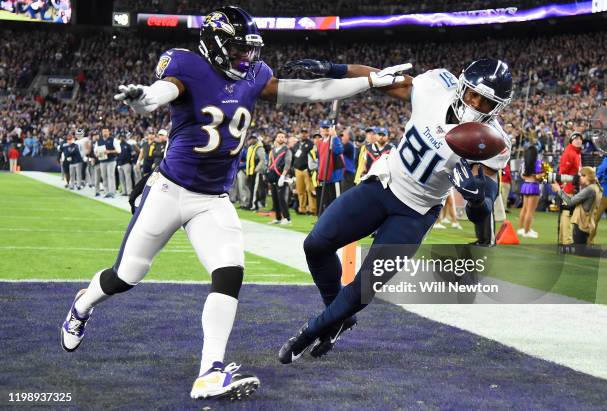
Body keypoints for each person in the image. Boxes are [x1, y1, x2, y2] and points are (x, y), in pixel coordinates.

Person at [59, 5, 407, 402]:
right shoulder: (187, 66)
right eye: (239, 48)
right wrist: (143, 97)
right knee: (126, 276)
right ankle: (82, 305)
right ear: (215, 45)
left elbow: (312, 89)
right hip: (169, 192)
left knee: (229, 272)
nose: (247, 57)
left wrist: (370, 82)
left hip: (213, 199)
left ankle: (210, 371)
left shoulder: (255, 75)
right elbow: (164, 92)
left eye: (249, 49)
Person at [277, 58, 513, 363]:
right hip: (384, 185)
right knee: (316, 244)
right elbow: (380, 78)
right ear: (461, 84)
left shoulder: (494, 143)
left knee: (363, 287)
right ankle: (339, 319)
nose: (476, 103)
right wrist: (333, 68)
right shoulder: (434, 87)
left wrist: (477, 200)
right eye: (472, 93)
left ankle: (310, 333)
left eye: (486, 101)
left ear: (498, 107)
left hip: (415, 212)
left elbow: (480, 215)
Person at [551, 167, 602, 245]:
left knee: (580, 252)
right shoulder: (596, 187)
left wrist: (558, 190)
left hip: (582, 226)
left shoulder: (589, 190)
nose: (579, 178)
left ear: (587, 176)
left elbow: (570, 202)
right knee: (582, 249)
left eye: (581, 175)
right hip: (588, 224)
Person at [558, 132, 583, 245]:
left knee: (569, 214)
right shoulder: (569, 153)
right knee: (567, 214)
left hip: (574, 188)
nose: (578, 141)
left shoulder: (576, 152)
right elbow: (563, 172)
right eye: (576, 139)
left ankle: (565, 239)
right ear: (571, 141)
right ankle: (566, 240)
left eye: (580, 139)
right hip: (569, 189)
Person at [315, 120, 344, 215]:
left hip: (334, 176)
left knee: (336, 202)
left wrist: (335, 136)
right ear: (320, 130)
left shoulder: (334, 140)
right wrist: (319, 174)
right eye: (324, 128)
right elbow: (320, 160)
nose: (326, 130)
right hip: (324, 176)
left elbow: (339, 151)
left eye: (327, 128)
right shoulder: (319, 142)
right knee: (326, 203)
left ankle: (338, 223)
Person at [517, 145, 543, 238]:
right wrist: (543, 174)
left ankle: (521, 228)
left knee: (524, 208)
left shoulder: (524, 163)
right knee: (530, 211)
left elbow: (522, 175)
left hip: (525, 185)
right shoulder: (538, 163)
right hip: (533, 186)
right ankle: (527, 231)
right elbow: (538, 176)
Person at [267, 132, 292, 224]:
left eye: (282, 137)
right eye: (279, 136)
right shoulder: (273, 150)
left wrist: (283, 175)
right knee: (275, 197)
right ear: (276, 138)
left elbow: (288, 164)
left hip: (282, 175)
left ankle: (287, 218)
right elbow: (270, 162)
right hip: (273, 175)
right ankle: (278, 218)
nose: (280, 138)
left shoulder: (287, 150)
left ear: (285, 139)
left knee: (282, 197)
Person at [293, 128, 316, 215]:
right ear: (299, 134)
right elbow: (294, 157)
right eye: (302, 133)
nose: (303, 134)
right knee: (300, 191)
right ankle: (302, 209)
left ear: (307, 134)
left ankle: (312, 209)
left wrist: (309, 169)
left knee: (310, 190)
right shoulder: (296, 145)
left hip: (307, 170)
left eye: (305, 133)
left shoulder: (310, 144)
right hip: (298, 170)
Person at [591, 155, 607, 248]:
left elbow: (602, 169)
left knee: (594, 218)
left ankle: (589, 241)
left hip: (604, 193)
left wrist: (596, 178)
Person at [97, 127, 121, 198]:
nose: (105, 133)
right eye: (103, 131)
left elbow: (119, 150)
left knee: (110, 176)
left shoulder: (113, 140)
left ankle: (112, 192)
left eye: (106, 131)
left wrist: (109, 151)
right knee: (104, 176)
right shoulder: (99, 141)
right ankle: (106, 191)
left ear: (109, 132)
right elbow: (96, 151)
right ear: (102, 132)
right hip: (102, 161)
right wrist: (97, 154)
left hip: (111, 160)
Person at [245, 135, 267, 210]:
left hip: (256, 172)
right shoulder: (251, 147)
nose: (249, 141)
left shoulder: (259, 147)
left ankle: (253, 205)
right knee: (251, 188)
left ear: (254, 139)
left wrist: (257, 169)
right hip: (250, 171)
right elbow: (248, 160)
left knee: (255, 189)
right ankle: (251, 203)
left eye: (250, 139)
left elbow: (262, 160)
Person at [341, 128, 356, 192]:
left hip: (348, 173)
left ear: (348, 136)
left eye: (343, 135)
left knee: (346, 192)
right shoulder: (349, 145)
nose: (342, 137)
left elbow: (338, 151)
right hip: (347, 172)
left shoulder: (348, 145)